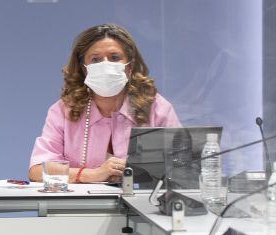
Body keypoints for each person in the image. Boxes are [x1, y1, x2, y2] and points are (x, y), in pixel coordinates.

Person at [29, 23, 180, 184]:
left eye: (114, 58)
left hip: (143, 207)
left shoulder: (156, 108)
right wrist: (91, 175)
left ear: (129, 67)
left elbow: (183, 167)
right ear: (83, 69)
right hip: (79, 208)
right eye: (96, 60)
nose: (105, 65)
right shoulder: (64, 110)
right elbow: (37, 171)